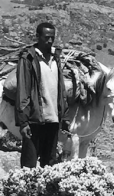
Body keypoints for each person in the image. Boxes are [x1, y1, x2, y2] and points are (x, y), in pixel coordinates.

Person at [15, 22, 69, 168]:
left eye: (52, 37)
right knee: (29, 164)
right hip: (34, 120)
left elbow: (61, 89)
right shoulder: (28, 59)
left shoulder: (56, 57)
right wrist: (23, 122)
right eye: (46, 37)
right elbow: (23, 91)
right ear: (37, 37)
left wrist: (63, 116)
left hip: (53, 120)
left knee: (50, 163)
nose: (50, 41)